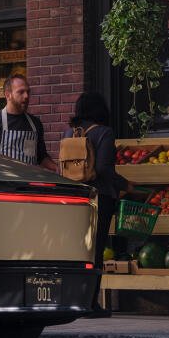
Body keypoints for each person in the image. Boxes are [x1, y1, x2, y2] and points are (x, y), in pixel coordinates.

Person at [69, 92, 126, 317]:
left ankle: (75, 300)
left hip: (75, 197)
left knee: (78, 250)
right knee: (96, 252)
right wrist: (125, 185)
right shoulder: (104, 133)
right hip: (99, 197)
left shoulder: (70, 132)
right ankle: (91, 303)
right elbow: (104, 170)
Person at [0, 74, 46, 166]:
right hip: (3, 179)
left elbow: (42, 157)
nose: (26, 96)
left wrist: (56, 168)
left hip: (29, 179)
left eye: (28, 92)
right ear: (8, 95)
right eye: (21, 92)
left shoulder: (35, 124)